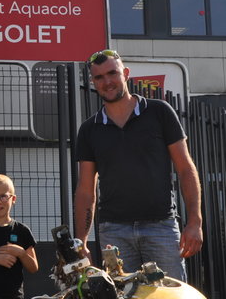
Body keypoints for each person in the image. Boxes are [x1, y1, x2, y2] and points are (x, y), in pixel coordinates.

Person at [74, 49, 203, 281]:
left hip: (161, 227)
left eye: (112, 73)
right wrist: (81, 242)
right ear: (93, 82)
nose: (107, 81)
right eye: (99, 77)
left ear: (125, 73)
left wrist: (195, 222)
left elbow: (186, 169)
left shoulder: (159, 111)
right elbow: (85, 190)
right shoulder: (89, 129)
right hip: (114, 232)